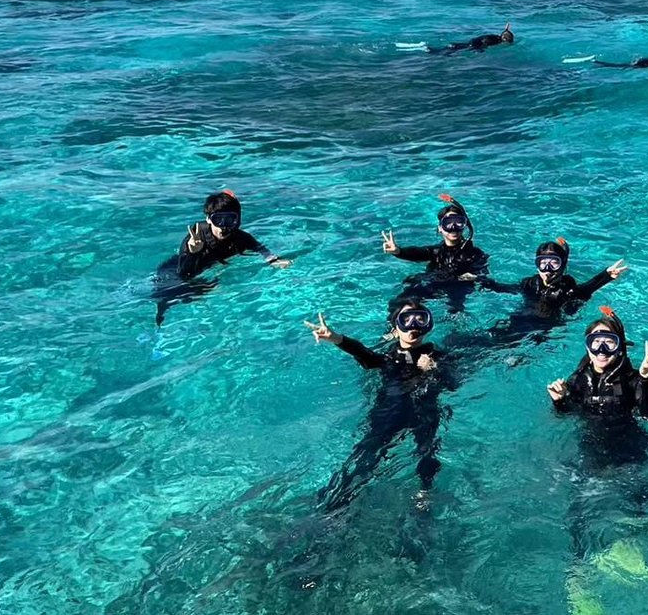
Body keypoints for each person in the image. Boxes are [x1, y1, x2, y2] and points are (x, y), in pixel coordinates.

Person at [547, 308, 648, 613]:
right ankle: (579, 573)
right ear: (587, 344)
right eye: (595, 342)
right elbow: (568, 415)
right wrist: (559, 401)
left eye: (608, 342)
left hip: (629, 448)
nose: (601, 350)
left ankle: (628, 547)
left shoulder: (631, 378)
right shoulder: (579, 377)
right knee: (578, 512)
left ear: (620, 346)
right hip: (593, 451)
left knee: (638, 501)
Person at [305, 302, 445, 510]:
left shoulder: (438, 357)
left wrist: (433, 371)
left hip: (424, 412)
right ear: (395, 328)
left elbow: (452, 382)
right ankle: (335, 504)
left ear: (429, 325)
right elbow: (365, 355)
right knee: (364, 459)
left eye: (419, 319)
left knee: (427, 452)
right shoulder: (388, 358)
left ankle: (424, 495)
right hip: (388, 414)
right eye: (405, 320)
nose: (413, 325)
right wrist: (336, 338)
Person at [467, 239, 628, 357]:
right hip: (517, 321)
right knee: (478, 340)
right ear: (537, 265)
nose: (548, 270)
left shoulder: (567, 289)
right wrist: (485, 281)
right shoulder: (530, 283)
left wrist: (606, 276)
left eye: (554, 264)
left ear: (562, 266)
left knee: (497, 354)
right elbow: (508, 288)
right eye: (543, 263)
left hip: (539, 330)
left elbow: (585, 289)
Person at [151, 190, 290, 326]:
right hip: (173, 270)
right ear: (208, 219)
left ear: (237, 220)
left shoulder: (240, 237)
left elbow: (259, 247)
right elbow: (184, 274)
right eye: (218, 220)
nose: (223, 227)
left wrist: (273, 260)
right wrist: (193, 252)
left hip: (205, 270)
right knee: (171, 297)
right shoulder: (195, 239)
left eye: (230, 220)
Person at [381, 195, 490, 313]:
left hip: (459, 285)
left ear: (464, 226)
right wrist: (399, 251)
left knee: (456, 310)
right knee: (402, 301)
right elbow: (418, 253)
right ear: (440, 228)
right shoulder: (436, 251)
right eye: (448, 223)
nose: (453, 228)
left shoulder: (475, 253)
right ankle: (395, 327)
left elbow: (482, 271)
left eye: (458, 223)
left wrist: (475, 276)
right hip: (434, 282)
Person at [428, 22, 514, 55]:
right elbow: (485, 42)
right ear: (505, 40)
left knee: (459, 46)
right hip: (475, 44)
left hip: (474, 41)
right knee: (458, 49)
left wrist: (506, 28)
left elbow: (505, 33)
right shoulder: (495, 41)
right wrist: (481, 50)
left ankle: (438, 50)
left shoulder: (498, 36)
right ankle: (437, 52)